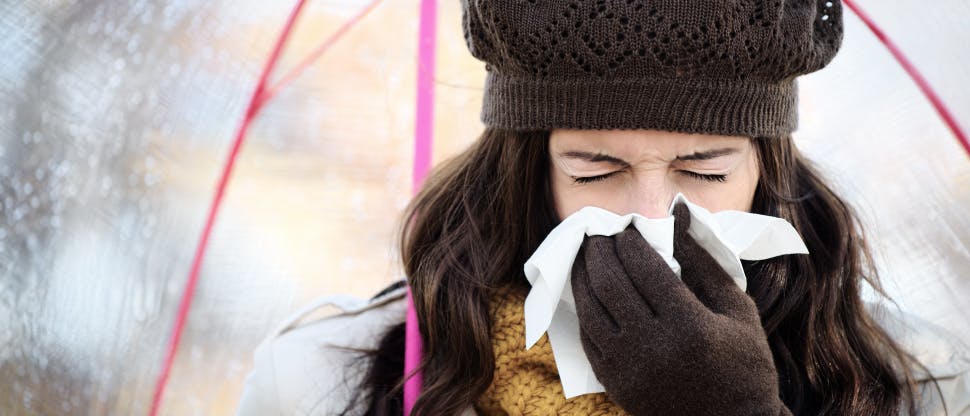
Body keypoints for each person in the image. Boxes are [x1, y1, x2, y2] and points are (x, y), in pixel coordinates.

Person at [237, 1, 970, 415]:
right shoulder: (322, 382)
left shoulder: (920, 386)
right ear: (528, 170)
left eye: (703, 168)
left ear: (766, 167)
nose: (651, 218)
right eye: (597, 167)